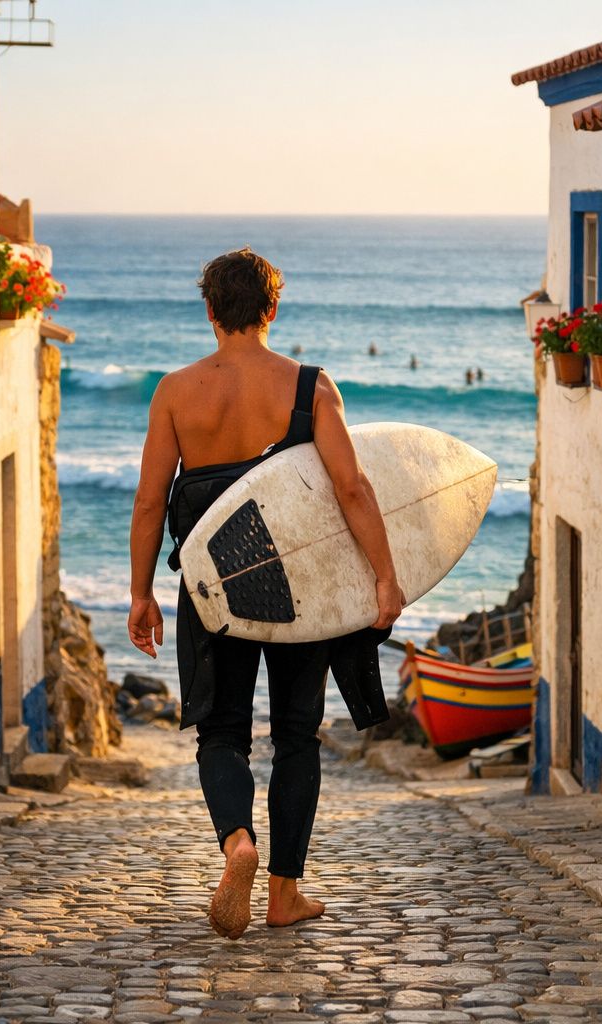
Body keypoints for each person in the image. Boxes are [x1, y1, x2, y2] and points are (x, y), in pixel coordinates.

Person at [127, 248, 405, 940]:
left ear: (212, 313)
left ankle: (237, 845)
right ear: (272, 310)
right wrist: (384, 576)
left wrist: (141, 595)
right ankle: (283, 893)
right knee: (295, 737)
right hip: (298, 594)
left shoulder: (174, 392)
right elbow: (351, 488)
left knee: (221, 732)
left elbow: (149, 503)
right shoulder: (310, 387)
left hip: (212, 589)